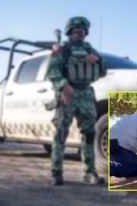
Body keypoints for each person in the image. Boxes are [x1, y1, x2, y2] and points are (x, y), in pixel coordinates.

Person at [46, 16, 107, 185]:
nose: (78, 33)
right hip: (68, 95)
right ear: (69, 33)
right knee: (61, 134)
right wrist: (63, 85)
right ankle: (56, 172)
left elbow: (102, 72)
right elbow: (52, 71)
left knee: (89, 134)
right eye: (75, 30)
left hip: (86, 94)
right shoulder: (62, 50)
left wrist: (99, 61)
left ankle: (89, 172)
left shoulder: (91, 50)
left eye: (82, 30)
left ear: (85, 33)